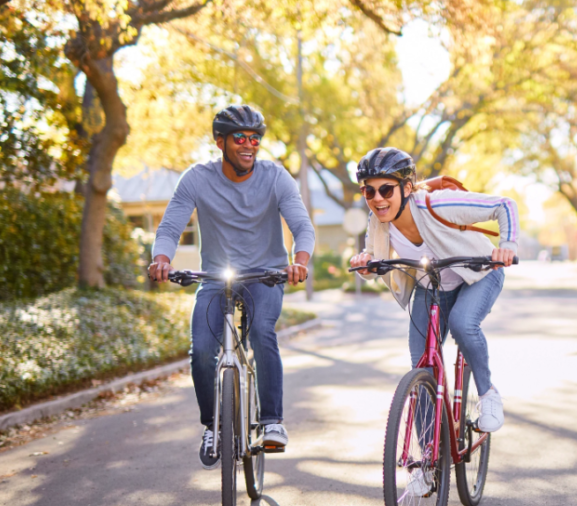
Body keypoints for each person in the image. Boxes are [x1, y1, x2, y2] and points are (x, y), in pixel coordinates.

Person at [148, 105, 315, 468]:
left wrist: (299, 262)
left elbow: (303, 227)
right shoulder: (196, 178)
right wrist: (162, 258)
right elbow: (171, 226)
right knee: (202, 348)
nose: (249, 145)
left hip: (265, 276)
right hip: (214, 277)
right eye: (240, 138)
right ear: (220, 141)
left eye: (255, 139)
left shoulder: (276, 177)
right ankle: (212, 425)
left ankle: (272, 421)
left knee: (261, 333)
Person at [348, 147, 518, 432]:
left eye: (386, 190)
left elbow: (505, 205)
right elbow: (373, 256)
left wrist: (508, 247)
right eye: (369, 192)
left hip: (477, 276)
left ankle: (488, 394)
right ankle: (424, 463)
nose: (377, 199)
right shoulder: (377, 222)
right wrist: (366, 264)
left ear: (407, 187)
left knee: (462, 323)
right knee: (421, 370)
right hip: (433, 286)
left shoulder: (436, 204)